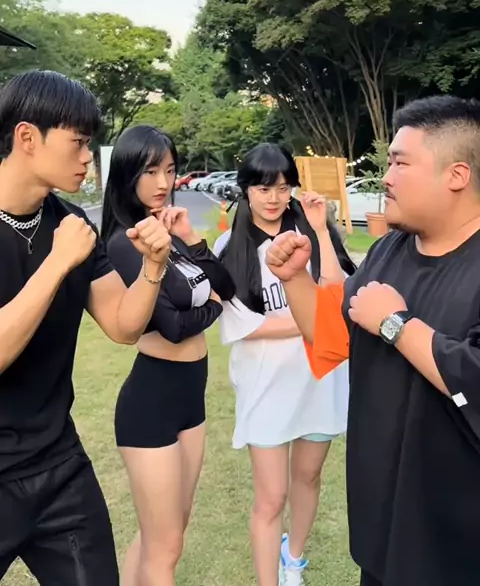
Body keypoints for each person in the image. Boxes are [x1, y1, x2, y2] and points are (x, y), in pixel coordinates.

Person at [265, 95, 480, 586]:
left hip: (457, 543)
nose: (386, 177)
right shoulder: (387, 250)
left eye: (401, 163)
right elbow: (330, 334)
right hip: (382, 527)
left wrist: (398, 326)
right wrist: (295, 279)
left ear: (456, 175)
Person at [0, 70, 173, 586]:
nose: (87, 159)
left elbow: (123, 325)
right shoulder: (67, 243)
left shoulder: (71, 222)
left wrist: (154, 267)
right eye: (77, 143)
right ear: (27, 137)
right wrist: (56, 264)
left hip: (57, 464)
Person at [213, 143, 356, 586]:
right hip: (266, 386)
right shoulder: (230, 247)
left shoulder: (311, 235)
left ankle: (292, 561)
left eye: (282, 187)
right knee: (271, 496)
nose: (273, 198)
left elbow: (340, 294)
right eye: (263, 188)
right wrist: (314, 321)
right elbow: (244, 326)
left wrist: (322, 230)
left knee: (308, 477)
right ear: (245, 191)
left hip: (320, 379)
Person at [101, 124, 235, 586]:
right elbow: (172, 327)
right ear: (127, 174)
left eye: (170, 170)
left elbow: (227, 285)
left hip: (190, 400)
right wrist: (214, 305)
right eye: (151, 171)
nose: (163, 182)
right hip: (151, 403)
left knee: (165, 533)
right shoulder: (126, 242)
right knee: (167, 547)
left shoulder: (167, 232)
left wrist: (191, 238)